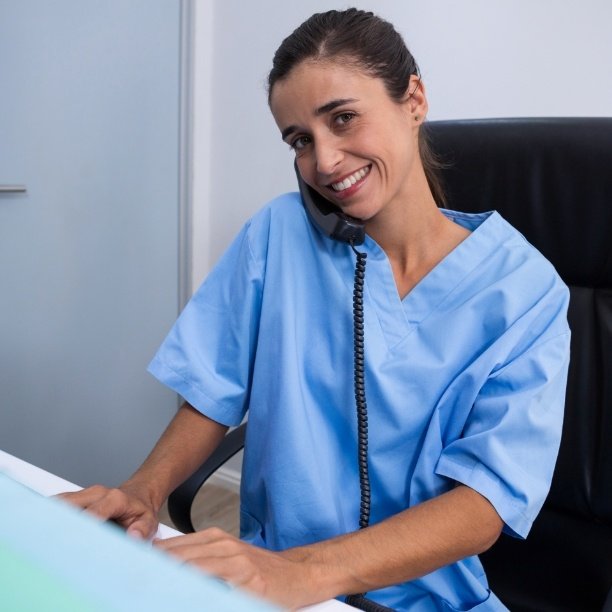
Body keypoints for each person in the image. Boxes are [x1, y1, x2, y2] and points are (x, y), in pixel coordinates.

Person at [62, 8, 571, 611]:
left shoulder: (524, 291)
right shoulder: (276, 233)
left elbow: (486, 501)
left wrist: (302, 573)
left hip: (424, 598)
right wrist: (145, 491)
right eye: (301, 140)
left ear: (413, 100)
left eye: (344, 118)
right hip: (269, 583)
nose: (325, 162)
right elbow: (211, 391)